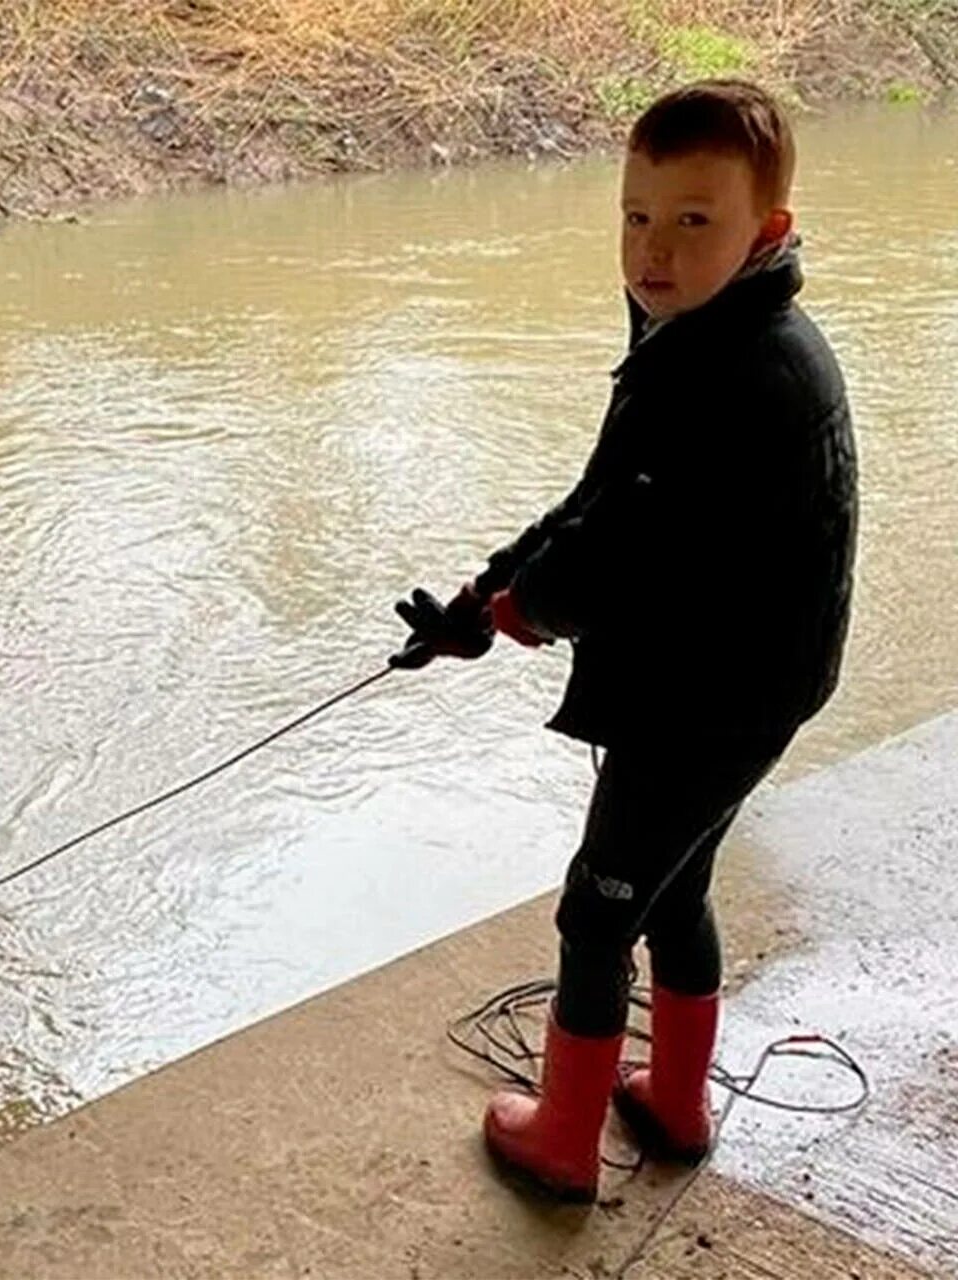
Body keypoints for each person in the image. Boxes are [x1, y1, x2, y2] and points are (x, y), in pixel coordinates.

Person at [391, 78, 858, 1204]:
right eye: (635, 214)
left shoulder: (731, 373)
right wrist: (487, 586)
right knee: (676, 886)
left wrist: (502, 618)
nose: (651, 247)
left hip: (708, 693)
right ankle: (677, 1099)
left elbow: (613, 554)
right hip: (743, 679)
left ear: (766, 231)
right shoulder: (701, 325)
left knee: (595, 910)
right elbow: (599, 498)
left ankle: (561, 1134)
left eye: (692, 220)